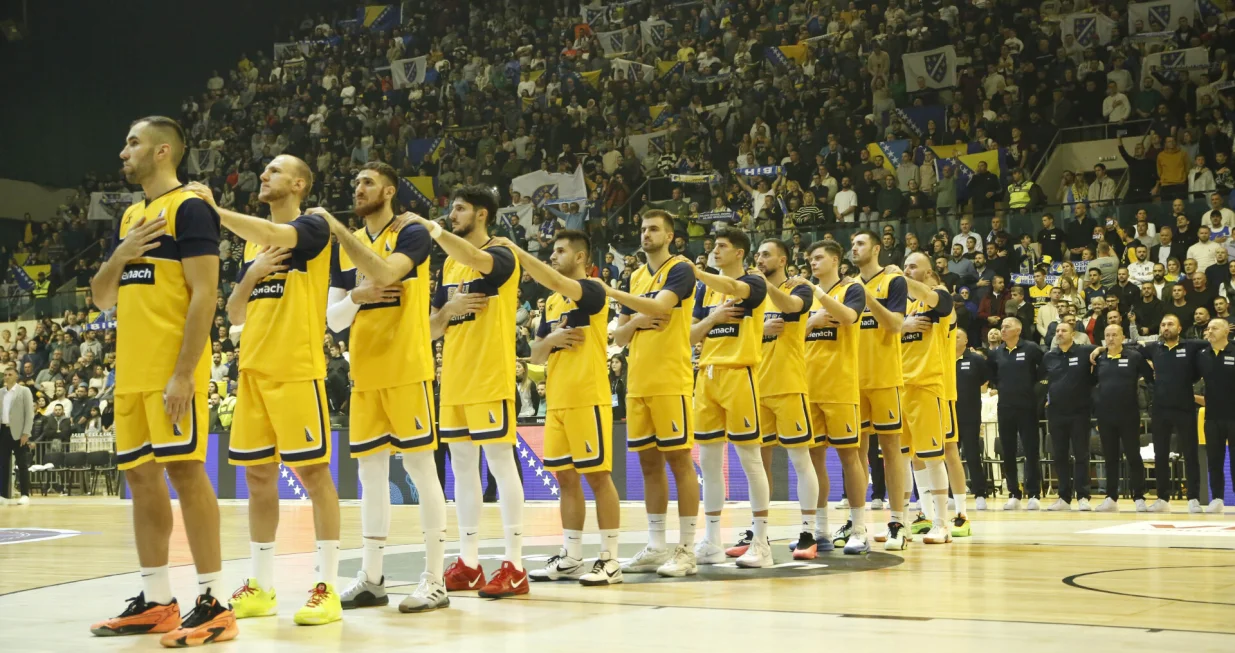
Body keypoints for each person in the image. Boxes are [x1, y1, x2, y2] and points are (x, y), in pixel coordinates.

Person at [88, 116, 237, 646]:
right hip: (129, 375)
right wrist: (121, 253)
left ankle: (216, 602)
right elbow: (101, 298)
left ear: (163, 151)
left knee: (186, 475)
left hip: (172, 373)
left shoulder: (189, 208)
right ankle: (156, 602)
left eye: (132, 142)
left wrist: (183, 372)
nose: (122, 151)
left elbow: (205, 294)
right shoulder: (131, 216)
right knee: (141, 482)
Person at [188, 154, 342, 626]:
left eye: (275, 171)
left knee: (315, 476)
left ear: (299, 182)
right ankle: (261, 585)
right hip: (251, 373)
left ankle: (327, 587)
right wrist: (251, 275)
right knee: (257, 480)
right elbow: (235, 313)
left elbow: (279, 236)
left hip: (296, 369)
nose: (264, 176)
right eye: (264, 171)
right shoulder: (253, 251)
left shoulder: (313, 227)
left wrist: (213, 213)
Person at [318, 161, 449, 612]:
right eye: (354, 182)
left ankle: (435, 580)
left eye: (367, 182)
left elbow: (388, 273)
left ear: (390, 191)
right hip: (365, 374)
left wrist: (338, 232)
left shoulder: (411, 231)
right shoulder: (346, 252)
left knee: (420, 471)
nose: (357, 188)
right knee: (371, 477)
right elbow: (333, 320)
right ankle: (373, 578)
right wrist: (357, 296)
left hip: (406, 367)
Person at [410, 186, 528, 598]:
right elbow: (432, 328)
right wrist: (447, 310)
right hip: (454, 377)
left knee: (500, 463)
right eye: (450, 208)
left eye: (458, 209)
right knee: (461, 468)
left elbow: (477, 260)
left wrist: (436, 232)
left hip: (489, 374)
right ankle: (470, 562)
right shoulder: (447, 268)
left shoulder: (502, 253)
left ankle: (515, 564)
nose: (451, 214)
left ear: (481, 214)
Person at [496, 230, 622, 586]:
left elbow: (551, 277)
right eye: (552, 251)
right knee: (565, 478)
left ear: (581, 257)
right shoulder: (551, 303)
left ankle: (611, 560)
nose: (553, 255)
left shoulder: (594, 289)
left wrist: (517, 251)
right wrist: (549, 340)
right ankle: (571, 557)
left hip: (588, 396)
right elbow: (535, 355)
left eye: (561, 250)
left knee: (598, 477)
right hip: (557, 399)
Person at [604, 210, 700, 578]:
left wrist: (613, 295)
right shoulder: (637, 275)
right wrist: (640, 321)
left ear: (670, 235)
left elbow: (663, 306)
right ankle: (656, 546)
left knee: (679, 461)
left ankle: (687, 549)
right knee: (648, 465)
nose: (646, 234)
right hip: (638, 381)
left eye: (654, 229)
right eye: (643, 228)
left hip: (669, 379)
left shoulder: (681, 268)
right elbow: (620, 335)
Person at [687, 227, 772, 568]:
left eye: (721, 246)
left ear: (739, 252)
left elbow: (736, 289)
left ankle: (762, 541)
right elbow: (688, 335)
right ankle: (711, 539)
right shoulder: (704, 292)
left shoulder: (755, 282)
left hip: (739, 375)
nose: (715, 251)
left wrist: (696, 272)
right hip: (706, 377)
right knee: (708, 463)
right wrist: (713, 317)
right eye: (713, 247)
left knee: (750, 460)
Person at [747, 239, 823, 559]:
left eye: (766, 254)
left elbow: (792, 307)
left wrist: (763, 285)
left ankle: (807, 532)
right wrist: (761, 327)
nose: (760, 259)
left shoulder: (800, 287)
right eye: (758, 255)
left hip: (789, 384)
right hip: (756, 386)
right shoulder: (752, 294)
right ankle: (758, 534)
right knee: (756, 465)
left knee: (800, 461)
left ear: (783, 259)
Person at [801, 239, 872, 553]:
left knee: (849, 457)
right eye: (810, 259)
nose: (813, 263)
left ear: (835, 259)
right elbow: (792, 332)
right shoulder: (803, 296)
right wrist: (812, 320)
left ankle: (859, 528)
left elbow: (849, 317)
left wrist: (817, 295)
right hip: (808, 385)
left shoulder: (852, 288)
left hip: (840, 385)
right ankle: (820, 530)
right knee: (814, 459)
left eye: (818, 258)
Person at [851, 230, 912, 549]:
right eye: (851, 244)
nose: (854, 248)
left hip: (885, 376)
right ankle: (858, 526)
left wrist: (866, 296)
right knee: (855, 453)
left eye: (860, 243)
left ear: (876, 248)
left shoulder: (894, 281)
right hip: (852, 379)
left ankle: (898, 523)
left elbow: (895, 324)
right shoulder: (847, 285)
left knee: (892, 451)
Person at [899, 253, 956, 545]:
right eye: (905, 265)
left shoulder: (938, 298)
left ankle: (942, 523)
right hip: (899, 386)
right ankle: (906, 522)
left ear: (929, 271)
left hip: (926, 385)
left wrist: (900, 279)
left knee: (934, 458)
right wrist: (901, 325)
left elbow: (939, 301)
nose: (907, 269)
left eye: (913, 266)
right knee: (904, 459)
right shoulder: (900, 305)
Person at [987, 316, 1046, 510]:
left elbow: (1044, 373)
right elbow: (993, 376)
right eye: (1002, 326)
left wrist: (1035, 396)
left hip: (1027, 408)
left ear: (1018, 330)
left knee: (1031, 451)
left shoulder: (1031, 349)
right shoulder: (996, 354)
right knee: (1008, 451)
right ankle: (1013, 493)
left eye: (1007, 326)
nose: (1002, 330)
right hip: (1005, 408)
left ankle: (1034, 493)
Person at [1042, 322, 1097, 511]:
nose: (1059, 333)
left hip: (1079, 411)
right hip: (1056, 412)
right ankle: (1064, 498)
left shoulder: (1083, 351)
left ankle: (1083, 496)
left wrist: (1098, 351)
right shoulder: (1049, 356)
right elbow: (1042, 380)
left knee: (1081, 454)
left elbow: (1104, 347)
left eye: (1064, 330)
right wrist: (1045, 398)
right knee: (1060, 455)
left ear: (1073, 334)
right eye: (1057, 331)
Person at [1195, 318, 1234, 512]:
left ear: (1226, 332)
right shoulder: (1202, 355)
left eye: (1214, 328)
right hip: (1212, 416)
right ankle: (1217, 498)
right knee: (1215, 458)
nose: (1209, 331)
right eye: (1208, 328)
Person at [954, 331, 990, 510]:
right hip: (948, 416)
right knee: (949, 456)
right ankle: (951, 494)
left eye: (957, 336)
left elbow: (986, 379)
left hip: (970, 415)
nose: (953, 338)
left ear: (966, 340)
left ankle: (980, 493)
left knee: (972, 454)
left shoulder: (975, 360)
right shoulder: (942, 357)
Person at [0, 367, 35, 505]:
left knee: (22, 464)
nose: (7, 377)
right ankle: (2, 495)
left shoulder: (24, 391)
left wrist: (26, 432)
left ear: (16, 377)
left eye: (10, 374)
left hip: (19, 432)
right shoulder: (1, 392)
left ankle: (25, 494)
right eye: (5, 374)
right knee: (2, 464)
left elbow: (29, 413)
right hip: (3, 431)